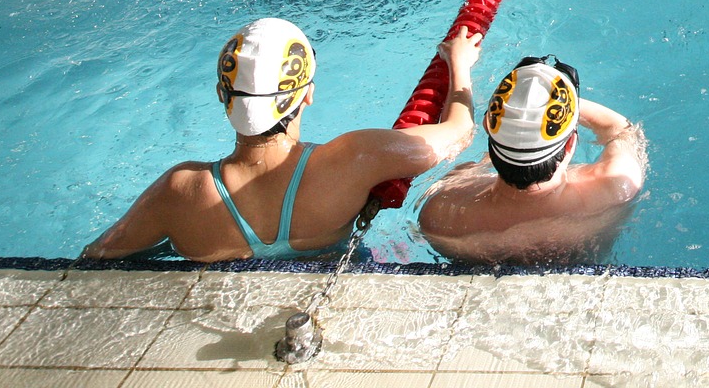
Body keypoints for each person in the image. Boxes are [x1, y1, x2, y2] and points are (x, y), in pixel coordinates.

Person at [82, 19, 483, 261]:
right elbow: (458, 133)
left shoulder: (180, 190)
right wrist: (459, 65)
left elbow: (96, 259)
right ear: (307, 94)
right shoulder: (354, 158)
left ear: (223, 97)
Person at [418, 56, 647, 265]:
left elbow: (457, 173)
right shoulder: (615, 188)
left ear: (488, 126)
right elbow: (622, 130)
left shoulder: (441, 214)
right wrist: (558, 102)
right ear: (570, 144)